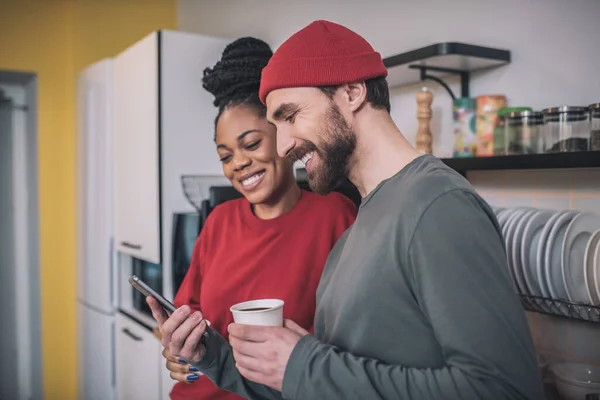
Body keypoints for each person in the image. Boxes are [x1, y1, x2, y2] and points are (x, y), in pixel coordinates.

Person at [150, 21, 546, 400]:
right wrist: (214, 358)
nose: (284, 145)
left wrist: (302, 363)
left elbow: (503, 389)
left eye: (290, 117)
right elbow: (317, 382)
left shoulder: (438, 205)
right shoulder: (365, 220)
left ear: (352, 93)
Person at [153, 36, 357, 400]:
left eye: (251, 145)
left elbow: (353, 339)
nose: (238, 164)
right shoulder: (219, 220)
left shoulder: (335, 216)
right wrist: (177, 350)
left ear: (283, 138)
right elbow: (189, 313)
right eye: (225, 155)